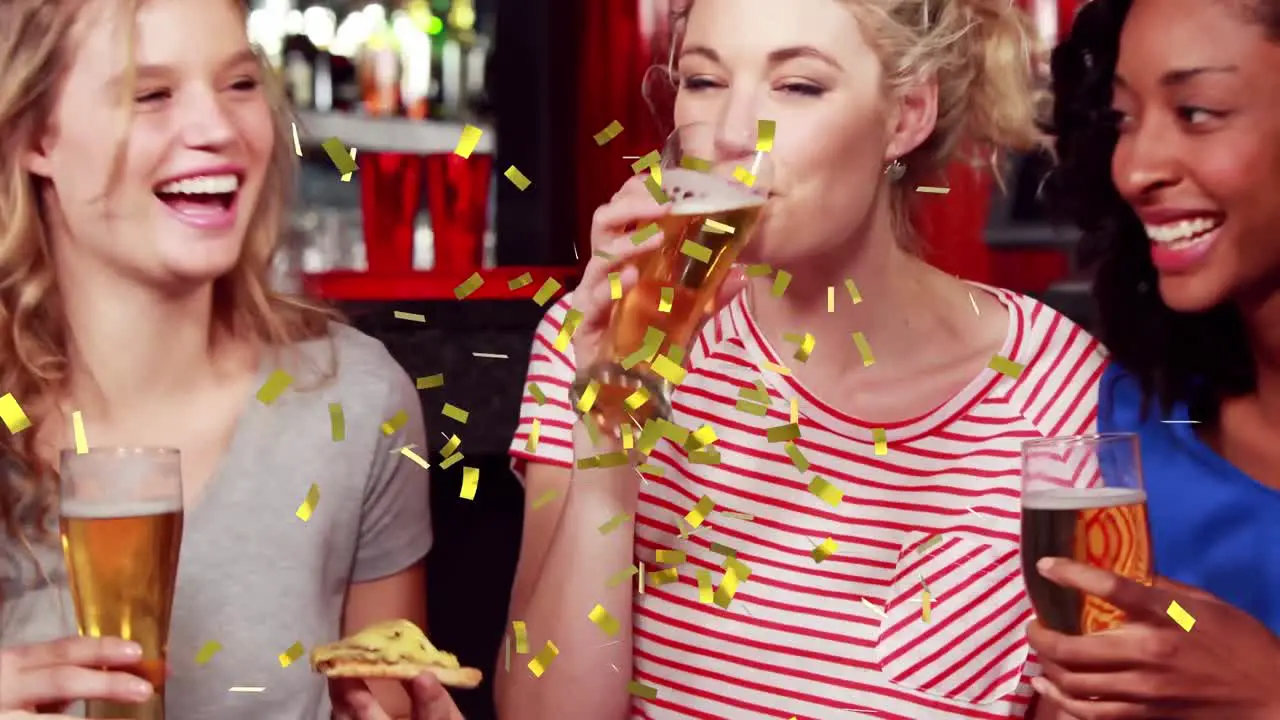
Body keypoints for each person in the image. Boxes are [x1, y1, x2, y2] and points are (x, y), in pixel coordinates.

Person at [499, 0, 1104, 717]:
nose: (727, 135)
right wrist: (608, 449)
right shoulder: (597, 341)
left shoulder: (1064, 392)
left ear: (907, 114)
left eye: (797, 87)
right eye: (702, 81)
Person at [0, 0, 460, 718]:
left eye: (240, 85)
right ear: (34, 134)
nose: (218, 129)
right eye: (150, 94)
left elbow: (389, 696)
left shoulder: (357, 403)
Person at [1028, 0, 1280, 717]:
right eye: (1124, 119)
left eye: (1197, 111)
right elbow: (1181, 625)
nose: (1136, 168)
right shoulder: (1124, 430)